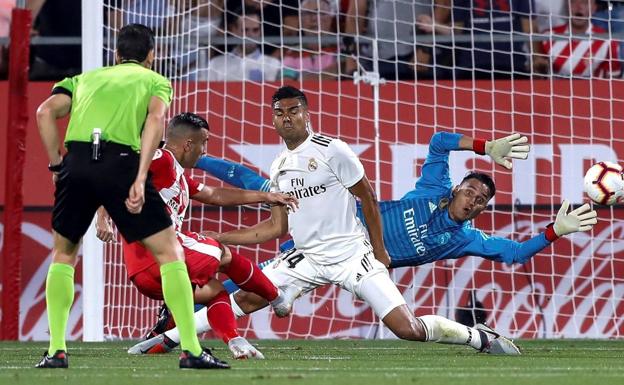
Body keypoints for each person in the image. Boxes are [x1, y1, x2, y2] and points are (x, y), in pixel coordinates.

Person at [131, 111, 598, 356]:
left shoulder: (465, 238)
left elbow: (515, 253)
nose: (473, 199)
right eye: (471, 190)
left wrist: (554, 230)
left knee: (407, 330)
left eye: (480, 202)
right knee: (254, 250)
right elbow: (438, 142)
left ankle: (475, 338)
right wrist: (484, 146)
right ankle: (172, 334)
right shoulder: (433, 186)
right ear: (458, 186)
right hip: (327, 235)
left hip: (360, 260)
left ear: (480, 211)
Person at [34, 24, 228, 369]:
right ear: (151, 57)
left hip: (76, 163)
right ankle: (191, 351)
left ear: (116, 54)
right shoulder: (154, 81)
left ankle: (56, 351)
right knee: (170, 253)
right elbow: (155, 120)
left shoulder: (83, 79)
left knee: (63, 255)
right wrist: (140, 176)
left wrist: (55, 166)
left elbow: (45, 112)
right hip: (121, 163)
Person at [98, 112, 297, 359]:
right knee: (222, 252)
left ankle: (233, 341)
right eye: (204, 142)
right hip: (155, 253)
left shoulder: (179, 176)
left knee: (215, 292)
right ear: (188, 144)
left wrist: (266, 196)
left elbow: (214, 195)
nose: (204, 150)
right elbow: (117, 177)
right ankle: (278, 298)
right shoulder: (161, 159)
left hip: (147, 272)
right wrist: (102, 215)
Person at [539, 0, 622, 78]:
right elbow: (538, 76)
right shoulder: (547, 36)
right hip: (556, 92)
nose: (579, 7)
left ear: (594, 8)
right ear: (567, 6)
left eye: (585, 2)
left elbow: (614, 79)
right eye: (574, 1)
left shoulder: (607, 41)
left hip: (594, 92)